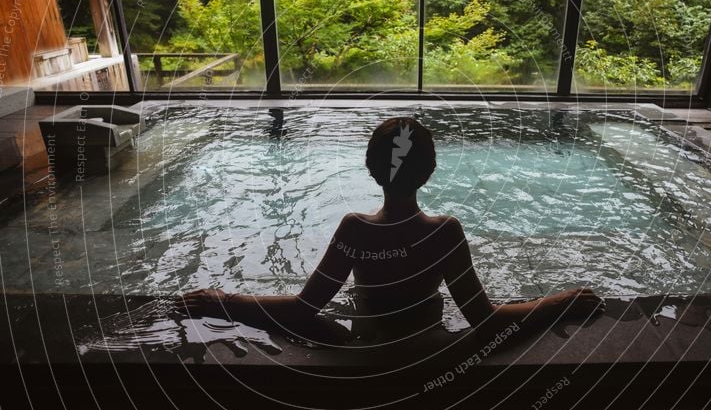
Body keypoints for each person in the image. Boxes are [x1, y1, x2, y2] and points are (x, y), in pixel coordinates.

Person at [178, 117, 604, 339]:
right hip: (426, 343)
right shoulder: (445, 233)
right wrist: (558, 302)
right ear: (430, 171)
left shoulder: (354, 230)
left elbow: (302, 309)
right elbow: (485, 321)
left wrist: (222, 299)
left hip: (366, 340)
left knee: (313, 325)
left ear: (371, 169)